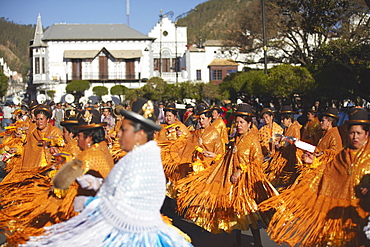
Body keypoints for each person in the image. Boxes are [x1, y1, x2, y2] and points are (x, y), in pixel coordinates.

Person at [23, 98, 193, 247]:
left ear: (140, 134)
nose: (117, 133)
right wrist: (97, 184)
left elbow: (124, 211)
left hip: (133, 237)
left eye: (124, 130)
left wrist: (90, 202)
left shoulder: (142, 163)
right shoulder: (138, 157)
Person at [259, 107, 370, 246]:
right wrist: (314, 162)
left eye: (359, 133)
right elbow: (328, 171)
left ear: (366, 134)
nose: (355, 137)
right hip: (342, 212)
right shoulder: (344, 154)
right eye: (352, 132)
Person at [176, 103, 278, 247]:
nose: (238, 125)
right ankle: (237, 241)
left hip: (246, 182)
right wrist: (215, 156)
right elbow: (228, 156)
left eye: (241, 122)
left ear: (249, 124)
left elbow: (258, 161)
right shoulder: (237, 137)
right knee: (234, 213)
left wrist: (240, 170)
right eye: (237, 122)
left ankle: (258, 243)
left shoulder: (253, 139)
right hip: (232, 182)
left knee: (251, 214)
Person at [264, 105, 301, 188]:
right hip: (283, 156)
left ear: (289, 119)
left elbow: (295, 144)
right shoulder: (286, 129)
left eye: (283, 119)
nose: (282, 121)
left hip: (289, 160)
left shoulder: (295, 128)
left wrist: (282, 145)